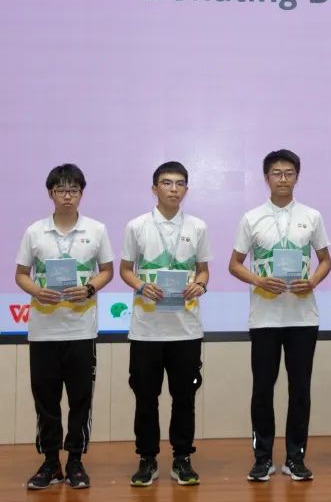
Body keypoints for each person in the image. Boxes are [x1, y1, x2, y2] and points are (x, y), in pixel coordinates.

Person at [228, 149, 331, 482]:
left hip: (303, 318)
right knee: (263, 389)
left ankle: (295, 458)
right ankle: (262, 458)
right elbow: (234, 265)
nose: (283, 178)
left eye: (289, 173)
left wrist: (312, 281)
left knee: (300, 390)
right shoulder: (252, 218)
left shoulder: (312, 216)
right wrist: (259, 281)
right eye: (276, 173)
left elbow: (326, 260)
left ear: (297, 177)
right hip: (264, 319)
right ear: (266, 178)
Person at [14, 163, 114, 490]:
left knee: (80, 400)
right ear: (50, 193)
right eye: (61, 190)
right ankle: (50, 462)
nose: (67, 196)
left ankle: (75, 461)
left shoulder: (96, 230)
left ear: (82, 193)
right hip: (43, 330)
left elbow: (107, 270)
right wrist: (36, 290)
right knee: (46, 401)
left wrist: (89, 288)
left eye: (73, 190)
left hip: (82, 330)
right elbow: (21, 274)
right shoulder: (35, 231)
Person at [119, 161, 211, 487]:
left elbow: (204, 270)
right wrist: (141, 286)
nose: (174, 189)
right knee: (146, 398)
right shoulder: (137, 226)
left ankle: (182, 458)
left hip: (186, 329)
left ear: (186, 189)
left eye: (180, 183)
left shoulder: (197, 227)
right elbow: (125, 269)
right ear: (154, 188)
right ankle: (147, 459)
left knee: (184, 397)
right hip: (146, 330)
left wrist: (200, 285)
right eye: (167, 183)